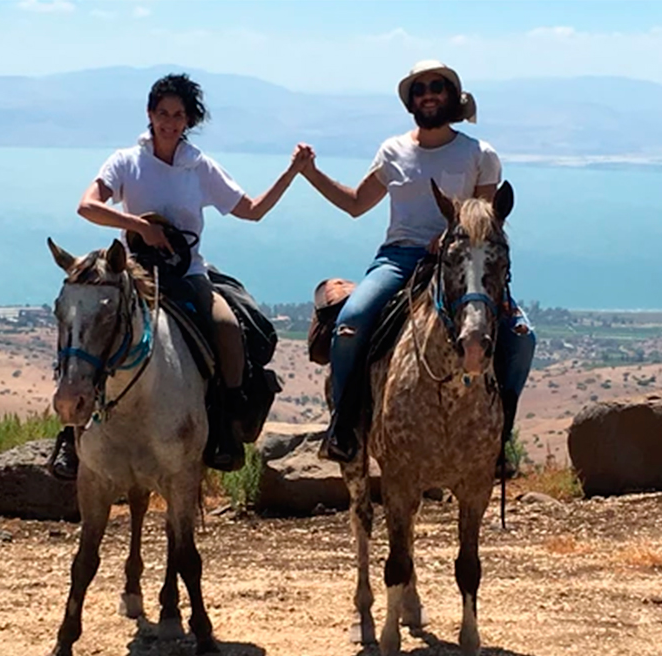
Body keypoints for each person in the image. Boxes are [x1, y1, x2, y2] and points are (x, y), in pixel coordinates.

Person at [50, 73, 312, 476]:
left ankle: (224, 424)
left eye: (178, 115)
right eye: (162, 113)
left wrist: (292, 172)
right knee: (91, 326)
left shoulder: (199, 167)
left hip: (186, 273)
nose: (169, 122)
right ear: (149, 114)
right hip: (133, 272)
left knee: (225, 326)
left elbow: (253, 210)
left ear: (189, 120)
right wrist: (138, 225)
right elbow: (87, 206)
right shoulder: (126, 161)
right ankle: (72, 433)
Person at [298, 59, 536, 464]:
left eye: (436, 87)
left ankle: (500, 434)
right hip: (398, 258)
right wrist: (310, 173)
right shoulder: (393, 151)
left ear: (450, 95)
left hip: (460, 259)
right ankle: (344, 425)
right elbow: (356, 203)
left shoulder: (479, 154)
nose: (428, 94)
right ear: (411, 100)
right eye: (420, 89)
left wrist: (448, 237)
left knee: (521, 337)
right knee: (350, 325)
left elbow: (484, 218)